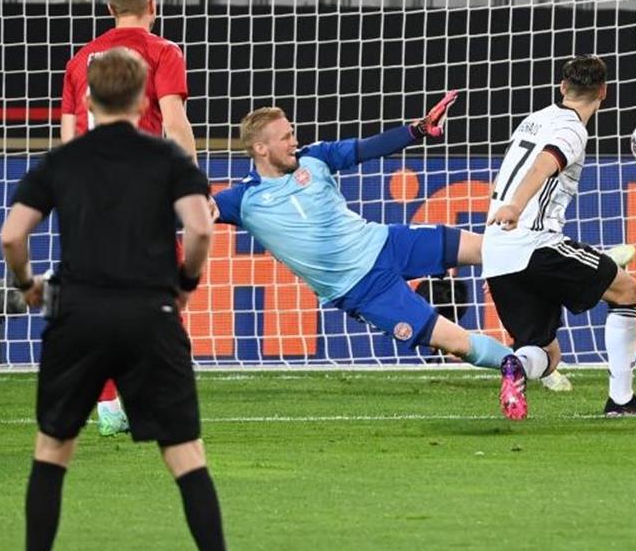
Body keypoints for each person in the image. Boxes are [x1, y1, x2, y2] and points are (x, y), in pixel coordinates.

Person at [0, 47, 258, 551]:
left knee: (52, 450)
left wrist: (28, 286)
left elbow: (12, 236)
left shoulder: (62, 161)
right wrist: (185, 282)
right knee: (186, 455)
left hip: (79, 315)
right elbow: (199, 229)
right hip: (151, 316)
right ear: (144, 99)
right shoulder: (168, 159)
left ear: (88, 100)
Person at [213, 95, 528, 417]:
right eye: (286, 137)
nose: (295, 142)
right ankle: (515, 368)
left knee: (489, 248)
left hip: (385, 242)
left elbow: (367, 148)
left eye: (293, 133)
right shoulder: (241, 200)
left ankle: (542, 321)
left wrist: (417, 130)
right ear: (261, 149)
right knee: (455, 342)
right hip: (362, 290)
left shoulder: (315, 158)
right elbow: (191, 210)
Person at [60, 0, 198, 436]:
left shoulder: (80, 61)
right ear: (152, 6)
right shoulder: (162, 51)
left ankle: (109, 403)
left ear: (109, 9)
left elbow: (68, 137)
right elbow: (175, 124)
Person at [483, 55, 636, 418]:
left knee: (547, 355)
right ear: (604, 93)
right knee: (625, 289)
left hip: (499, 249)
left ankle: (515, 366)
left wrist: (499, 246)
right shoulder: (572, 130)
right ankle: (622, 401)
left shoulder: (533, 120)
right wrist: (516, 207)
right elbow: (545, 163)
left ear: (563, 87)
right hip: (533, 242)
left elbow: (502, 180)